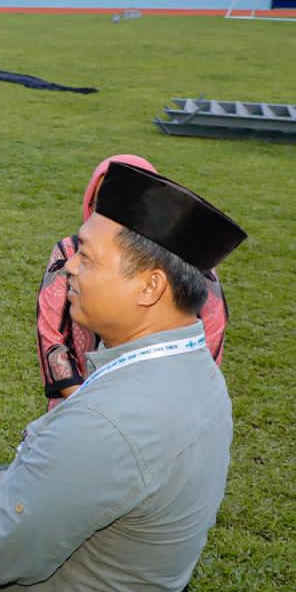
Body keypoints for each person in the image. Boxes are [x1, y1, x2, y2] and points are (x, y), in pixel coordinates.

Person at [0, 162, 247, 592]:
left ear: (150, 287)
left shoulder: (110, 419)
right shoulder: (197, 372)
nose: (69, 266)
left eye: (87, 256)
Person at [37, 154, 230, 409]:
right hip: (78, 399)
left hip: (163, 407)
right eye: (101, 203)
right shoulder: (69, 251)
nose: (111, 215)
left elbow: (209, 336)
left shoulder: (189, 262)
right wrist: (84, 404)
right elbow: (51, 335)